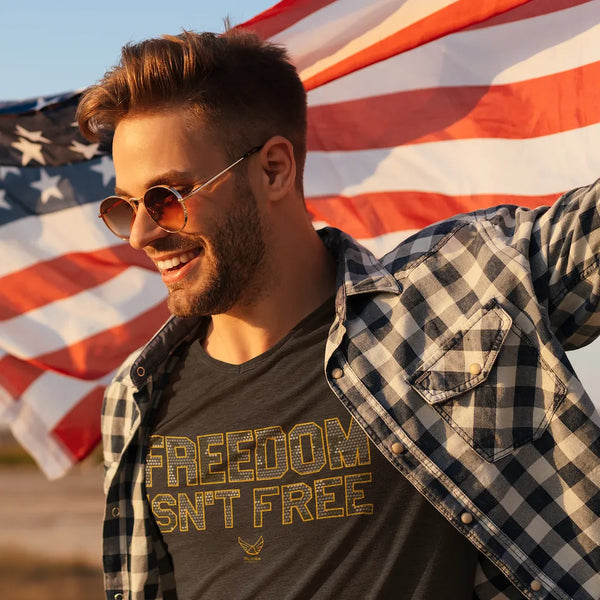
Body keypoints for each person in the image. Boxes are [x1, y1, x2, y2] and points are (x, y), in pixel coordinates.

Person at [77, 29, 600, 600]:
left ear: (274, 169)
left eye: (166, 198)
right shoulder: (135, 398)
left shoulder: (460, 292)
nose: (141, 235)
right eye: (123, 207)